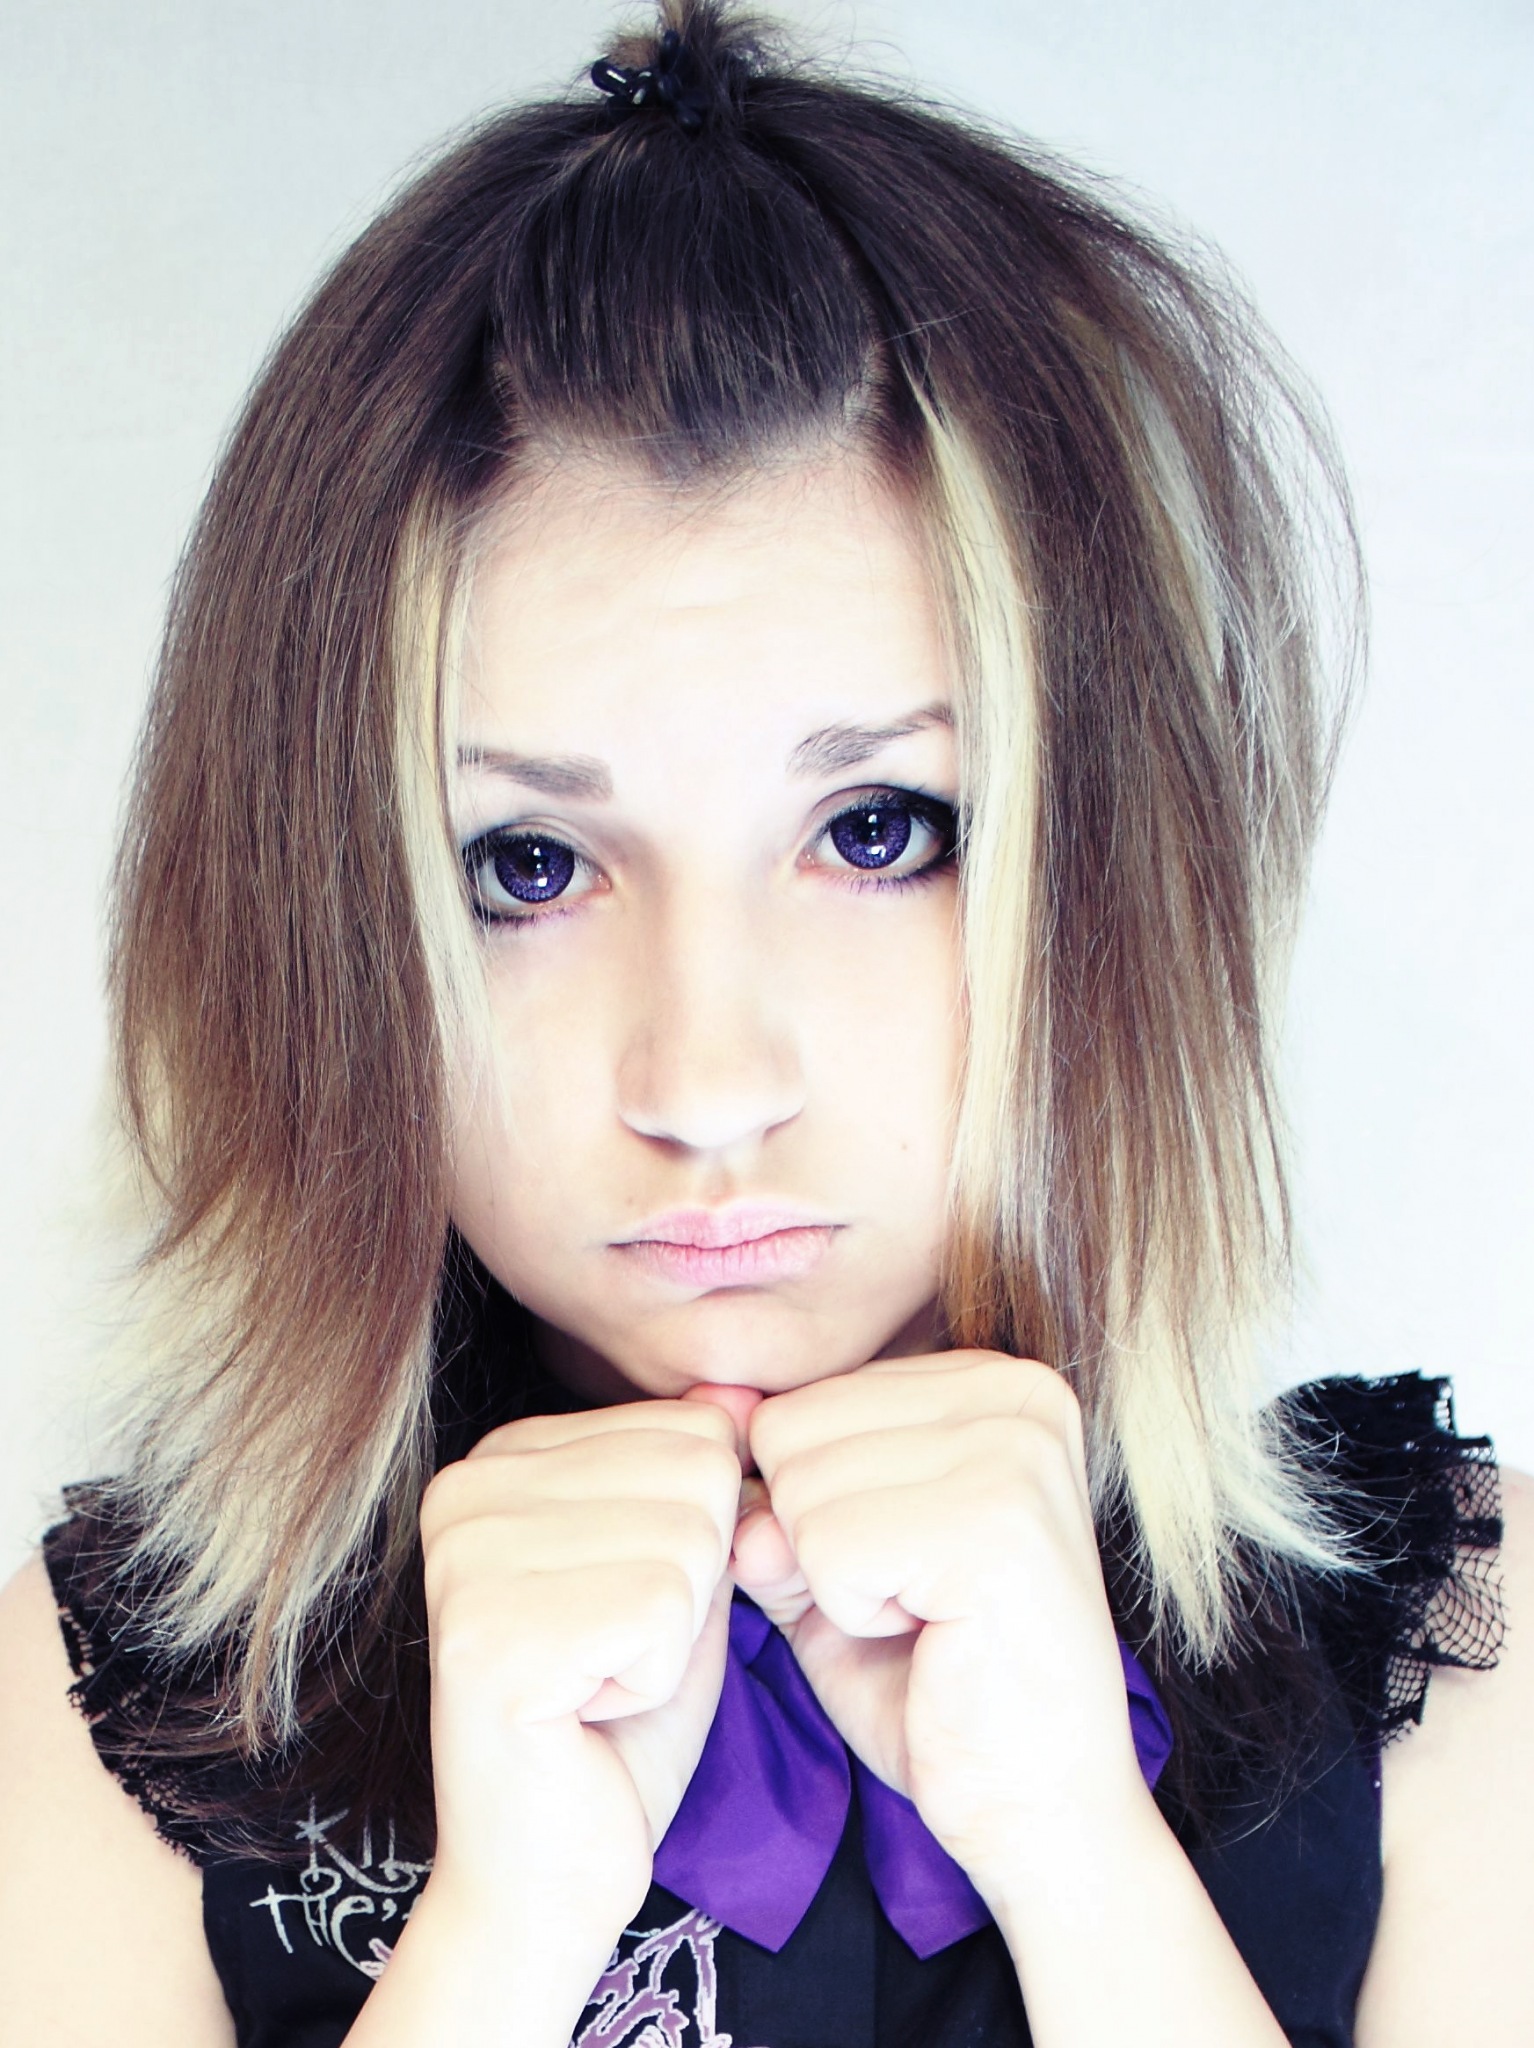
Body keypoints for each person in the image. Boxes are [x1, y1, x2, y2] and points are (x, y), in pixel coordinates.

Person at [0, 4, 1529, 2043]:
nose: (707, 1084)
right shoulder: (123, 1719)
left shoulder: (1448, 1643)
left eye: (875, 829)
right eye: (525, 866)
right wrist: (496, 1939)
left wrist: (1080, 1859)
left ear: (1101, 870)